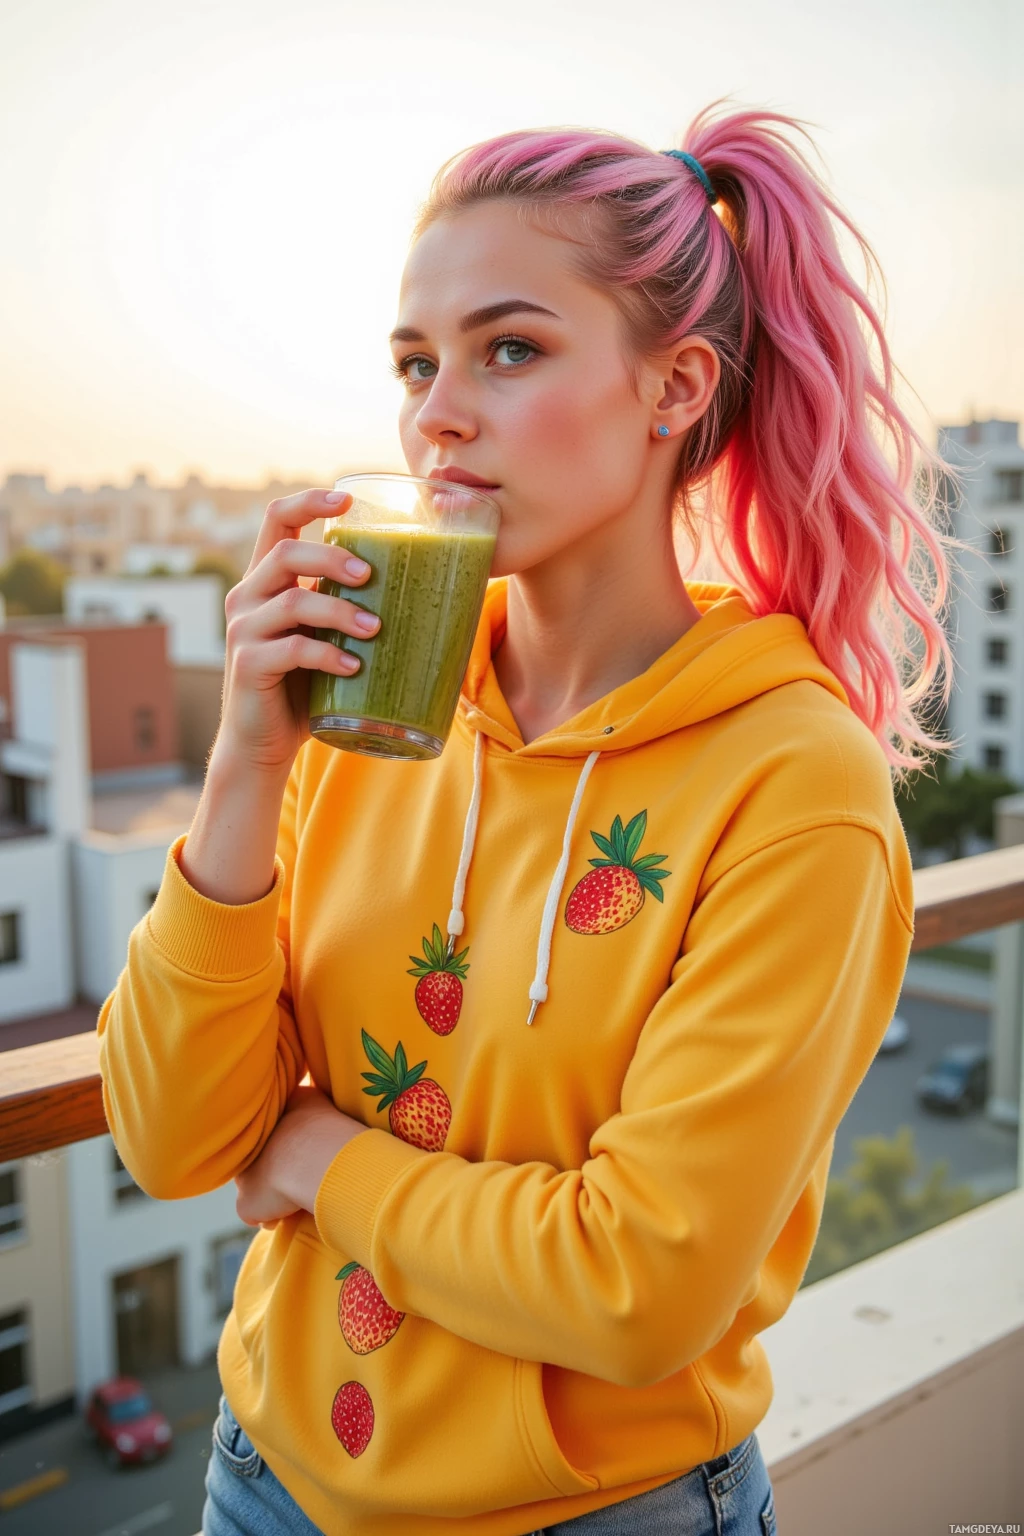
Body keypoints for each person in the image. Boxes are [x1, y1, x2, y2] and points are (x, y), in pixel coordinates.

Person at [99, 103, 952, 1536]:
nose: (437, 409)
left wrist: (316, 1157)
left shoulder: (796, 784)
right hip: (261, 1488)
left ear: (676, 384)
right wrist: (245, 765)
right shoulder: (369, 704)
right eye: (416, 363)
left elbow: (637, 1289)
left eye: (510, 348)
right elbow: (176, 1141)